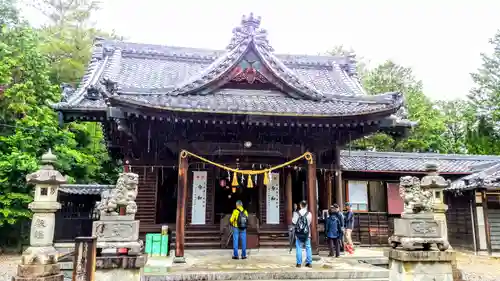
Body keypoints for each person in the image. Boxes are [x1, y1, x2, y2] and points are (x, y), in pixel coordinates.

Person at [292, 200, 313, 268]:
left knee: (299, 247)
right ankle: (309, 263)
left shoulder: (296, 213)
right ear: (306, 205)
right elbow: (309, 223)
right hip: (307, 233)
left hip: (299, 233)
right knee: (308, 247)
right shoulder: (309, 214)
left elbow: (294, 222)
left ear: (300, 205)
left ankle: (299, 263)